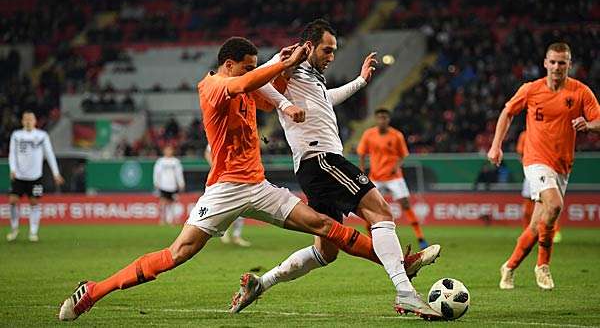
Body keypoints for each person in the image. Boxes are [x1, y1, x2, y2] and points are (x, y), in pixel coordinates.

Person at [58, 37, 441, 321]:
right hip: (224, 189)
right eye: (246, 66)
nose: (250, 73)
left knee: (326, 226)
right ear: (229, 64)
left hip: (257, 187)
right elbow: (244, 85)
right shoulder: (213, 86)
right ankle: (93, 291)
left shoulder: (245, 82)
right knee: (177, 255)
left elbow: (265, 92)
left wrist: (287, 104)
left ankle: (398, 267)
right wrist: (278, 62)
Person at [230, 19, 441, 317]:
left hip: (314, 166)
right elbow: (259, 79)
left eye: (334, 51)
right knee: (380, 211)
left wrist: (361, 81)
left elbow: (325, 100)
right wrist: (284, 105)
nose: (331, 57)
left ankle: (260, 283)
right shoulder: (289, 60)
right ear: (309, 46)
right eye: (327, 50)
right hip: (321, 158)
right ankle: (405, 290)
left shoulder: (311, 77)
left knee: (326, 252)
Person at [488, 42, 600, 290]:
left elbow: (598, 120)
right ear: (545, 63)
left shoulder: (581, 92)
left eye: (563, 62)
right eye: (553, 62)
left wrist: (589, 125)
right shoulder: (531, 90)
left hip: (563, 165)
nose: (557, 67)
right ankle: (543, 265)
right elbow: (507, 113)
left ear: (569, 64)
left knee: (538, 222)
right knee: (555, 205)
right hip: (535, 161)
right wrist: (496, 145)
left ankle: (509, 266)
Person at [357, 108, 430, 249]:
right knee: (368, 207)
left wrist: (396, 166)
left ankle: (420, 238)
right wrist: (361, 169)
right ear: (376, 119)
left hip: (393, 177)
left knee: (405, 204)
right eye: (379, 117)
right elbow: (361, 152)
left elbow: (402, 155)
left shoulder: (396, 135)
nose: (382, 120)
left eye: (384, 117)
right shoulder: (369, 134)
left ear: (388, 119)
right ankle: (371, 240)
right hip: (376, 177)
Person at [7, 110, 64, 242]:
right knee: (13, 201)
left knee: (34, 202)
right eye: (25, 119)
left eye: (30, 119)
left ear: (35, 121)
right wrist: (13, 169)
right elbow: (12, 153)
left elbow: (49, 154)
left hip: (35, 176)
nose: (28, 121)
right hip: (19, 176)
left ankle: (33, 231)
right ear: (22, 121)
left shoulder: (42, 135)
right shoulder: (16, 135)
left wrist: (56, 173)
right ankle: (14, 229)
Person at [516, 130, 561, 242]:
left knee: (549, 205)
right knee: (527, 209)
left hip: (545, 172)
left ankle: (554, 232)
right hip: (530, 173)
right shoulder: (524, 135)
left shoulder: (547, 132)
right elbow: (520, 154)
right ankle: (527, 233)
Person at [204, 144, 251, 247]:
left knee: (241, 207)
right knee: (223, 208)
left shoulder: (240, 138)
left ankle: (236, 236)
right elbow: (207, 152)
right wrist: (215, 167)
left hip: (238, 176)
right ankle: (223, 232)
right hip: (222, 178)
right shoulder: (219, 135)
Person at [153, 145, 185, 225]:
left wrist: (181, 183)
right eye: (167, 150)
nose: (169, 152)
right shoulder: (160, 161)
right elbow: (156, 173)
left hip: (173, 185)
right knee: (163, 202)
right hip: (163, 185)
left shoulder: (176, 162)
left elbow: (179, 173)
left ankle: (173, 219)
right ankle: (162, 219)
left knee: (173, 203)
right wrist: (156, 182)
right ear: (164, 151)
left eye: (170, 150)